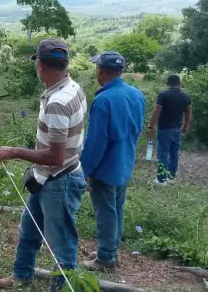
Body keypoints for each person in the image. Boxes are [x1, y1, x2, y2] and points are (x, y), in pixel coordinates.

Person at [0, 39, 88, 291]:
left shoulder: (58, 102)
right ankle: (21, 276)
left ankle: (63, 287)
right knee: (29, 230)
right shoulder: (72, 87)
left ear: (41, 65)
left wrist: (14, 152)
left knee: (62, 244)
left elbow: (56, 156)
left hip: (60, 180)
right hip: (48, 176)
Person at [80, 51, 146, 271]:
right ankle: (110, 249)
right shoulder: (136, 94)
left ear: (100, 70)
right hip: (125, 163)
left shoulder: (103, 100)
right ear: (121, 71)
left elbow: (96, 142)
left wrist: (85, 170)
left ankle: (106, 259)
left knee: (106, 212)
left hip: (106, 168)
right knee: (116, 209)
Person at [148, 74, 191, 184]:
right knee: (174, 153)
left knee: (163, 153)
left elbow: (157, 111)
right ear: (179, 83)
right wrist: (186, 126)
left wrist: (151, 125)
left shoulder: (163, 95)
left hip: (164, 129)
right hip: (177, 129)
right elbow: (188, 113)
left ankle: (161, 179)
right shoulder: (185, 96)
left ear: (168, 83)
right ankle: (171, 177)